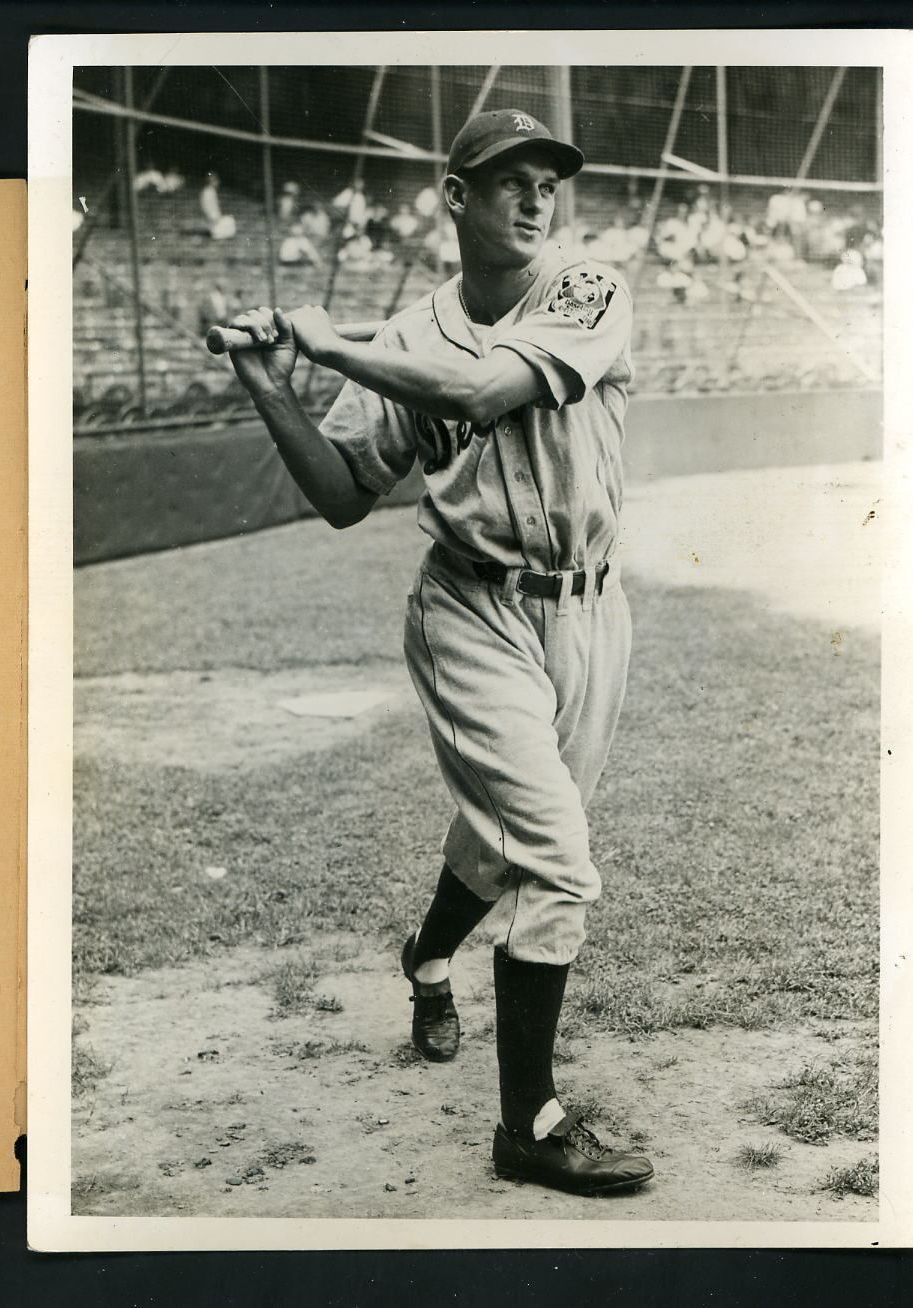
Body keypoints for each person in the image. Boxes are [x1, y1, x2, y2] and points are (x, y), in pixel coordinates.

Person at [225, 109, 653, 1198]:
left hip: (592, 611)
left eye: (547, 179)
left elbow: (481, 389)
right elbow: (338, 496)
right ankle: (531, 1124)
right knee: (554, 850)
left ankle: (425, 958)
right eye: (508, 178)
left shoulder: (587, 288)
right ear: (456, 197)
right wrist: (276, 384)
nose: (535, 196)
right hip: (470, 610)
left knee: (501, 837)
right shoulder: (405, 337)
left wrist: (331, 343)